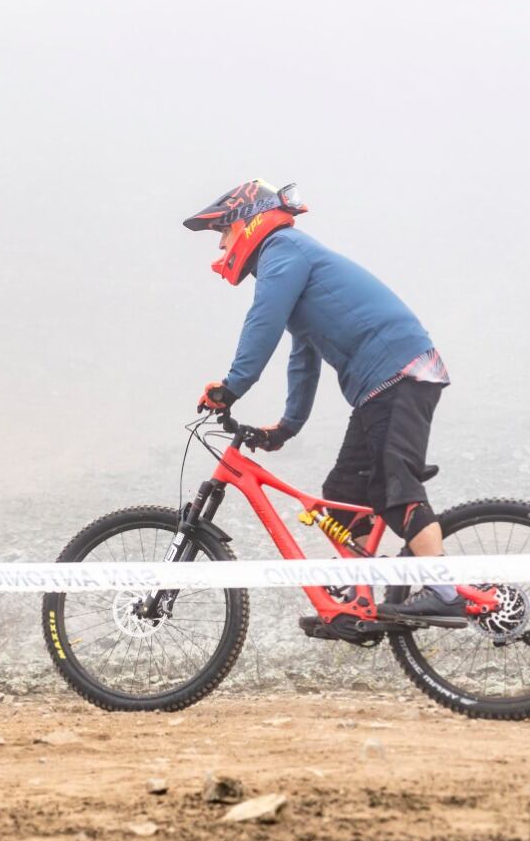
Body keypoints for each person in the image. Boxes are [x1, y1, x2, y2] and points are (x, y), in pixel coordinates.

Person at [184, 180, 459, 620]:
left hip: (399, 373)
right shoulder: (291, 257)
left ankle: (451, 595)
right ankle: (361, 597)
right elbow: (303, 355)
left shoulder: (283, 248)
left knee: (393, 485)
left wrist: (233, 385)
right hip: (384, 384)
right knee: (341, 494)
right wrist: (287, 426)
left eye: (223, 231)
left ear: (247, 220)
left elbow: (264, 321)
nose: (221, 244)